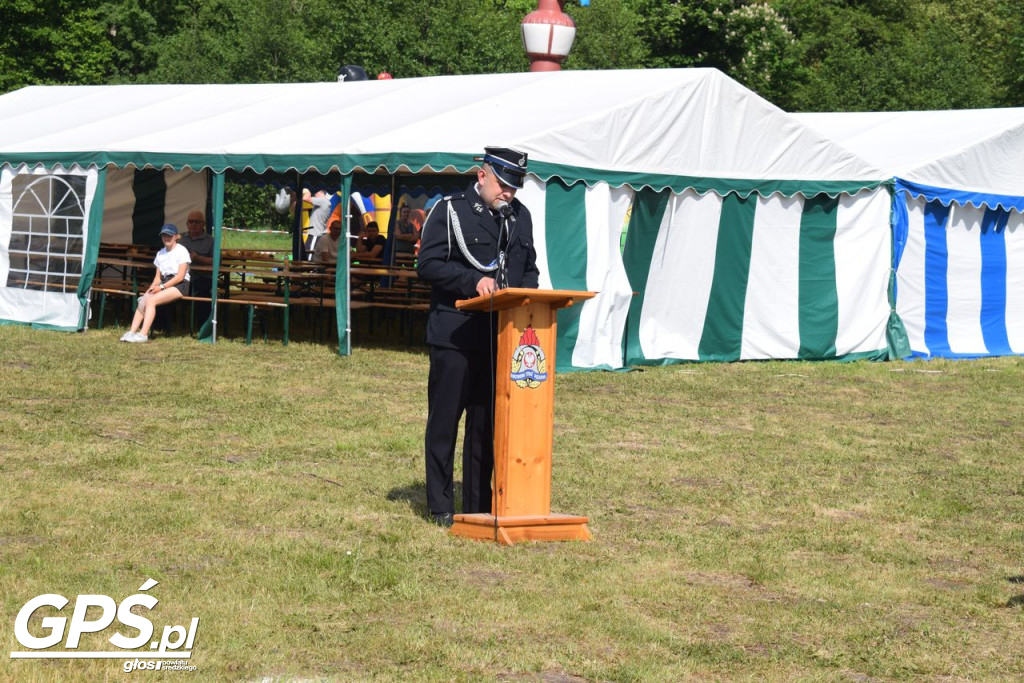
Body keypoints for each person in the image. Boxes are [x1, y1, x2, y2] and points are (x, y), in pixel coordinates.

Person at [416, 146, 539, 527]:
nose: (509, 193)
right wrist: (474, 281)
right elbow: (429, 264)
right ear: (482, 175)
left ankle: (477, 505)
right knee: (445, 423)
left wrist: (530, 303)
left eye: (515, 187)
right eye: (503, 184)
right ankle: (441, 506)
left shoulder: (520, 217)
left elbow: (529, 268)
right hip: (455, 334)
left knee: (485, 428)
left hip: (498, 338)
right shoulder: (450, 210)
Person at [120, 225, 191, 343]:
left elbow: (180, 277)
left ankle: (143, 334)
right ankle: (131, 332)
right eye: (164, 235)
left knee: (151, 301)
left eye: (169, 235)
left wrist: (161, 287)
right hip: (165, 283)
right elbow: (157, 278)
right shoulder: (160, 254)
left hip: (181, 285)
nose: (166, 238)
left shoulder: (182, 251)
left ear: (176, 237)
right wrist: (151, 288)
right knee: (143, 299)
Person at [178, 210, 213, 296]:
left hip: (202, 277)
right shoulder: (179, 238)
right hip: (181, 276)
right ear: (187, 224)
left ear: (203, 224)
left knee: (203, 294)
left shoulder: (211, 241)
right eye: (191, 222)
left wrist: (198, 258)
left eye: (197, 222)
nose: (193, 224)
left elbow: (217, 261)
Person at [305, 190, 333, 256]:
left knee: (309, 255)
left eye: (314, 194)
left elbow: (305, 198)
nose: (314, 196)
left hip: (315, 233)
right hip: (320, 233)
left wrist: (308, 190)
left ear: (319, 192)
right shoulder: (327, 202)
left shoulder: (322, 201)